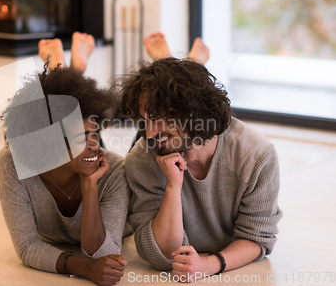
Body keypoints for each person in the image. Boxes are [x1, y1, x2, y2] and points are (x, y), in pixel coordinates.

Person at [120, 33, 282, 282]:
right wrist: (173, 187)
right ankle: (187, 61)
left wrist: (209, 264)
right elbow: (161, 255)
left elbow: (257, 238)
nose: (149, 132)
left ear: (191, 112)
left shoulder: (256, 154)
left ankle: (189, 61)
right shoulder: (141, 160)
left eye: (158, 117)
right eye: (145, 120)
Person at [0, 32, 130, 286]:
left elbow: (103, 255)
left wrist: (90, 187)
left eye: (96, 133)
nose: (95, 145)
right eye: (84, 137)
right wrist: (83, 267)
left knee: (147, 143)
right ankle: (67, 69)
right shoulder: (13, 162)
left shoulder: (115, 171)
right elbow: (26, 247)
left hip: (108, 173)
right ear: (47, 142)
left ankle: (68, 69)